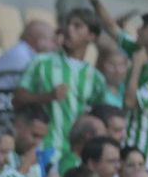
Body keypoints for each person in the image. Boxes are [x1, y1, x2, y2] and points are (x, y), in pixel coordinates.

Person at [13, 9, 106, 159]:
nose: (69, 29)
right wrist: (47, 97)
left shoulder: (96, 78)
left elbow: (98, 114)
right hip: (44, 149)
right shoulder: (41, 62)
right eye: (68, 24)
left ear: (91, 36)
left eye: (77, 26)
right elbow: (17, 98)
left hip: (76, 154)